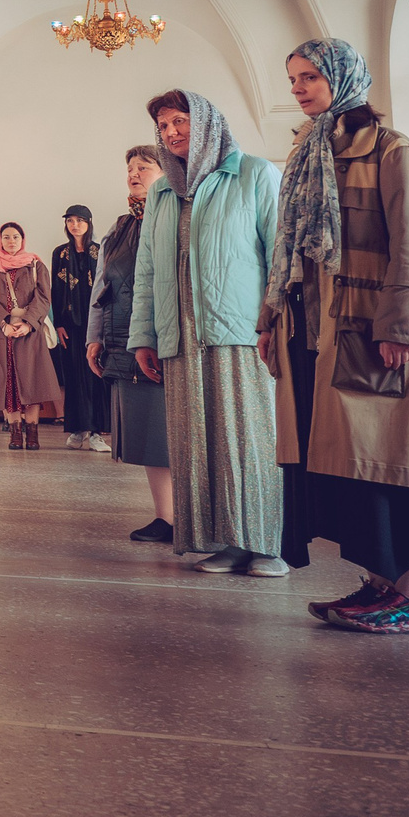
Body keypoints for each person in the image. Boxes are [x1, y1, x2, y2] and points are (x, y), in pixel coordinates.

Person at [261, 40, 409, 631]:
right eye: (293, 78)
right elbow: (287, 251)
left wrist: (399, 326)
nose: (298, 88)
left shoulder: (391, 150)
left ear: (344, 78)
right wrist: (269, 319)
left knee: (387, 462)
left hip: (371, 332)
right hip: (312, 333)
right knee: (345, 469)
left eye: (310, 76)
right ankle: (381, 584)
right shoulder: (308, 152)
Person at [128, 89, 283, 576]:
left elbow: (280, 258)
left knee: (249, 440)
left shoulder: (254, 173)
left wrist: (273, 323)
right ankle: (224, 541)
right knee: (199, 444)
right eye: (163, 126)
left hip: (242, 333)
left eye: (180, 120)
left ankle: (267, 545)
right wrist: (144, 336)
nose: (171, 132)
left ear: (208, 123)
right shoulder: (162, 193)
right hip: (181, 336)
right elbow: (148, 270)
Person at [92, 145, 175, 542]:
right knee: (149, 433)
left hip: (169, 338)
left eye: (144, 166)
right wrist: (94, 336)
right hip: (123, 339)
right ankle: (166, 517)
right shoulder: (120, 227)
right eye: (130, 168)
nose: (134, 173)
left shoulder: (177, 213)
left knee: (175, 431)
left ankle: (196, 518)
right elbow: (101, 285)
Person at [0, 223, 60, 449]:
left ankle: (32, 433)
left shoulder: (36, 265)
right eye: (6, 237)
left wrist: (28, 323)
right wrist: (3, 323)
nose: (11, 241)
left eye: (15, 236)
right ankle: (14, 433)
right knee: (8, 384)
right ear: (0, 240)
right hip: (2, 333)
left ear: (22, 239)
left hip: (30, 333)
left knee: (32, 383)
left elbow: (43, 297)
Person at [53, 205, 105, 450]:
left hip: (95, 322)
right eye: (70, 221)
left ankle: (96, 432)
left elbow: (106, 286)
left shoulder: (100, 250)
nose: (75, 225)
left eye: (80, 220)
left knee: (95, 375)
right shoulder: (60, 253)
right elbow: (55, 290)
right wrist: (58, 324)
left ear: (89, 222)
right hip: (70, 325)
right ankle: (77, 429)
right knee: (73, 376)